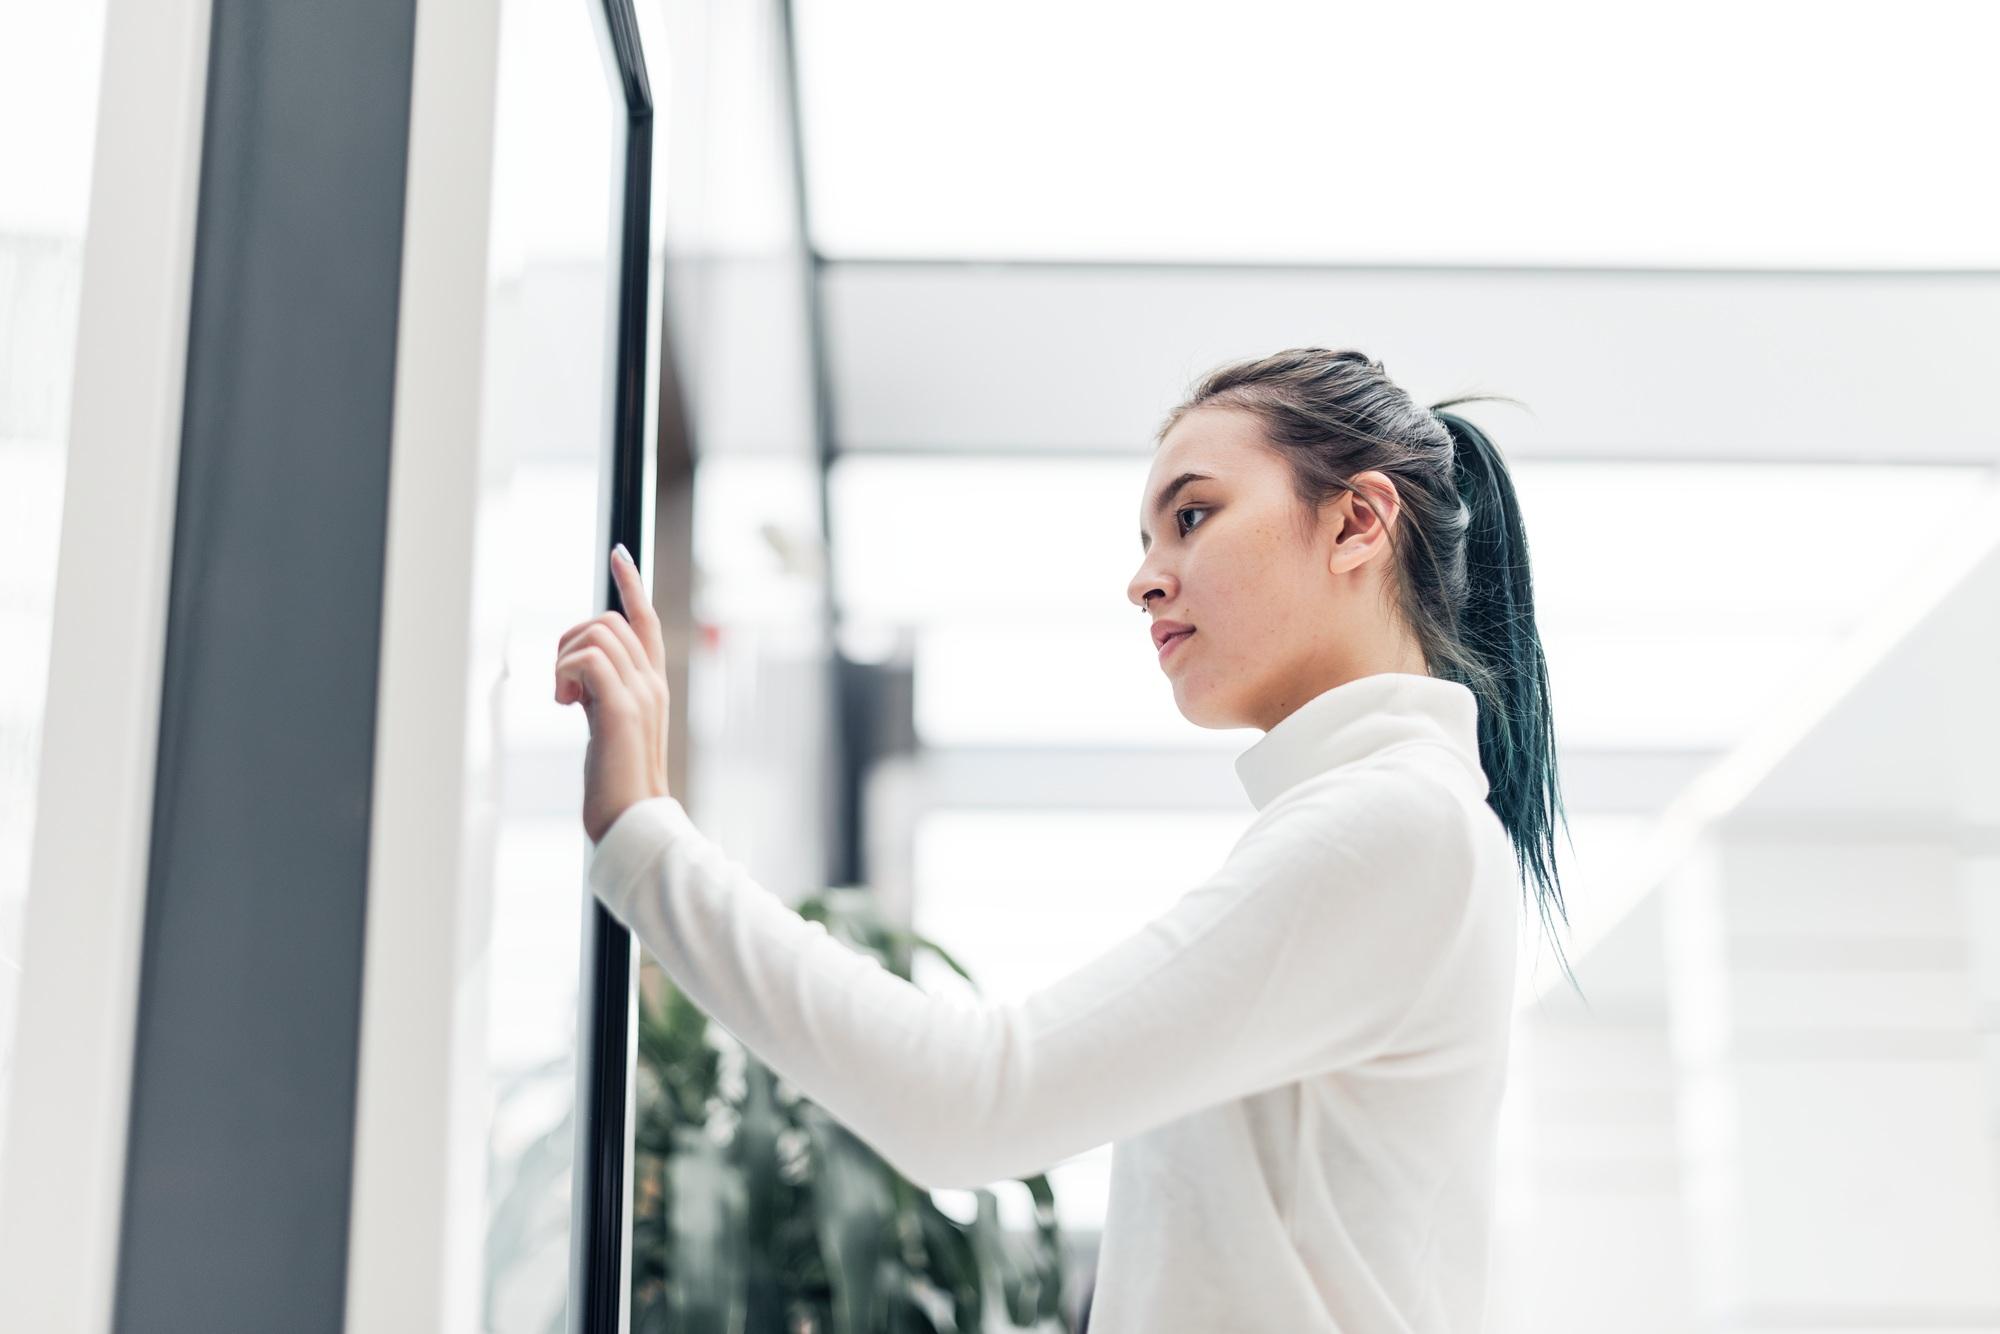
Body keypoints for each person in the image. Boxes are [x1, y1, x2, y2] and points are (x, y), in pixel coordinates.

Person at [552, 346, 1575, 1332]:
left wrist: (641, 834)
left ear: (1356, 522)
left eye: (1190, 515)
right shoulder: (1398, 819)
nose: (1145, 580)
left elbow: (971, 1099)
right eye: (1145, 542)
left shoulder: (1389, 823)